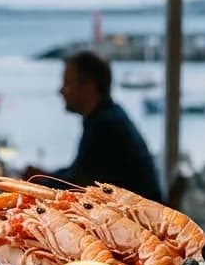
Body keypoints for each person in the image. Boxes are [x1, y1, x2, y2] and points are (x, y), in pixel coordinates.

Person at [22, 51, 162, 202]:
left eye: (67, 83)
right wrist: (46, 176)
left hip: (137, 219)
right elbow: (81, 171)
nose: (61, 90)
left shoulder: (105, 126)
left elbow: (82, 186)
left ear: (88, 86)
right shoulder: (108, 116)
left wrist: (42, 181)